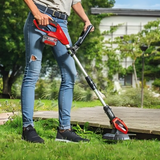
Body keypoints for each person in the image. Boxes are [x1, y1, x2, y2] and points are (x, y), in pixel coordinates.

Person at [22, 0, 94, 143]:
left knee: (70, 73)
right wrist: (36, 12)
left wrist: (86, 20)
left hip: (61, 23)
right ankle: (27, 128)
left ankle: (64, 130)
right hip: (40, 17)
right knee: (32, 72)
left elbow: (75, 2)